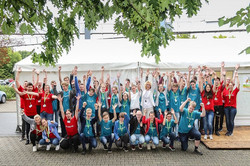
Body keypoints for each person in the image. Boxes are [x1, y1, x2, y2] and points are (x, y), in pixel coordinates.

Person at [223, 71, 240, 136]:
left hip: (233, 108)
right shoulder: (226, 91)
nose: (230, 86)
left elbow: (238, 85)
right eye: (229, 85)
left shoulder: (235, 91)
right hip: (226, 108)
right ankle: (228, 131)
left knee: (231, 120)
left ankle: (231, 131)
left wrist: (237, 77)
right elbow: (224, 84)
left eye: (231, 85)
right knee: (227, 120)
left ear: (233, 86)